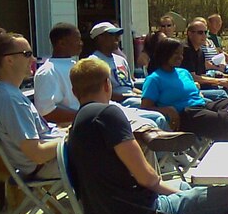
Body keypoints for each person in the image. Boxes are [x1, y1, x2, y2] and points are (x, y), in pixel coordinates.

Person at [67, 57, 228, 214]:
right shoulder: (108, 115)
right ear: (108, 84)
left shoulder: (79, 122)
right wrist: (176, 193)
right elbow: (148, 178)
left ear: (75, 92)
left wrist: (182, 193)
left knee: (187, 190)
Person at [34, 23, 169, 132]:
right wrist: (86, 116)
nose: (81, 43)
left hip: (106, 111)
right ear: (61, 43)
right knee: (151, 124)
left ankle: (165, 162)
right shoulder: (48, 71)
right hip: (92, 121)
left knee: (158, 118)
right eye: (77, 40)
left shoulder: (78, 66)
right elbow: (46, 112)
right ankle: (161, 163)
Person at [0, 34, 63, 179]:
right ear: (9, 60)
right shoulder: (10, 101)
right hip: (48, 164)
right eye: (27, 54)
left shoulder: (5, 92)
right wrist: (71, 138)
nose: (33, 59)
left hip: (52, 156)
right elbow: (38, 154)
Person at [141, 37, 228, 141]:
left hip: (202, 105)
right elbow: (145, 108)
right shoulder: (154, 79)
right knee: (223, 120)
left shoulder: (183, 72)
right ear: (164, 54)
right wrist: (167, 110)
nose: (180, 57)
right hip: (185, 114)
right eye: (176, 53)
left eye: (181, 54)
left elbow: (193, 92)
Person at [181, 19, 228, 101]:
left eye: (205, 32)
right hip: (189, 90)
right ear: (190, 34)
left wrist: (222, 77)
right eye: (200, 32)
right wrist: (219, 81)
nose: (204, 35)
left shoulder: (200, 52)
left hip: (201, 86)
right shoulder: (185, 50)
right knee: (221, 94)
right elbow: (192, 77)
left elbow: (202, 75)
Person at [90, 21, 142, 106]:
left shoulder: (121, 60)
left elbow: (130, 87)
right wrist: (129, 96)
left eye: (117, 35)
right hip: (115, 104)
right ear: (100, 38)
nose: (117, 38)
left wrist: (143, 95)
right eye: (112, 35)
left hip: (131, 98)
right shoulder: (94, 62)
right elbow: (100, 94)